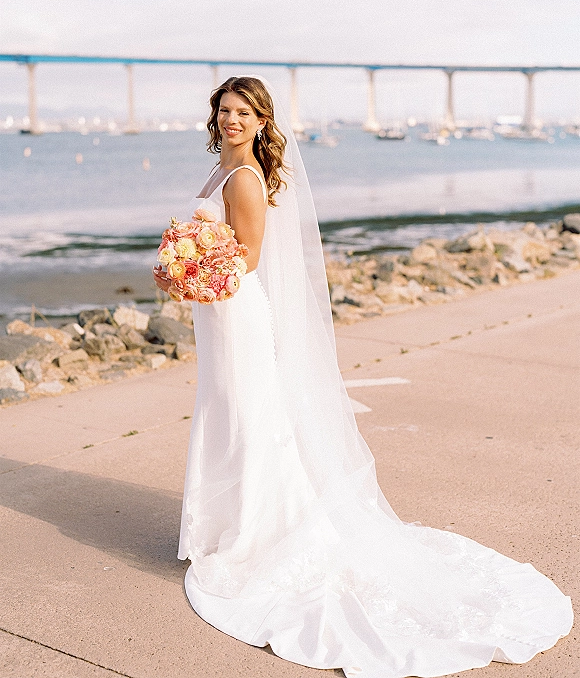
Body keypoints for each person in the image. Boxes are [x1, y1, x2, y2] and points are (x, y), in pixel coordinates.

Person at [153, 76, 572, 678]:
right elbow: (217, 246)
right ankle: (231, 528)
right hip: (219, 315)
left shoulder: (244, 178)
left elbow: (244, 258)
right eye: (224, 110)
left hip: (237, 311)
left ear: (263, 121)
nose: (231, 120)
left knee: (249, 417)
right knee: (229, 413)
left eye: (243, 112)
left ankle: (259, 534)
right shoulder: (223, 169)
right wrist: (181, 266)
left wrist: (192, 266)